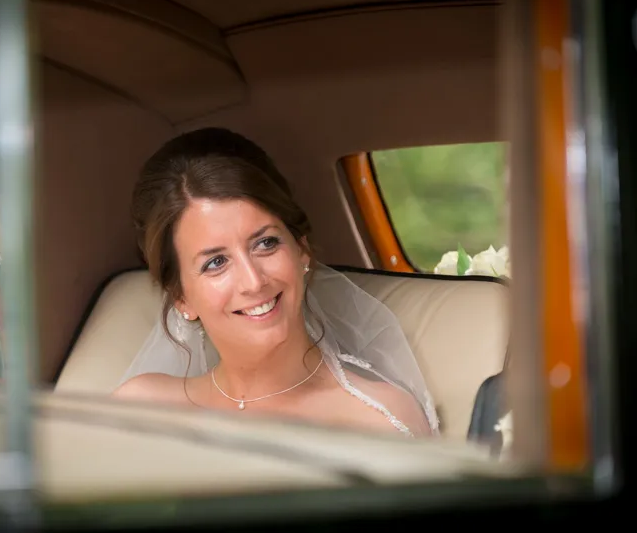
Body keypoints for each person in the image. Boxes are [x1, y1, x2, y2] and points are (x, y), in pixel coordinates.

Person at [112, 128, 439, 437]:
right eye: (216, 262)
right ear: (181, 297)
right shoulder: (140, 410)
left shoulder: (382, 420)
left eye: (265, 243)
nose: (253, 282)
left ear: (302, 250)